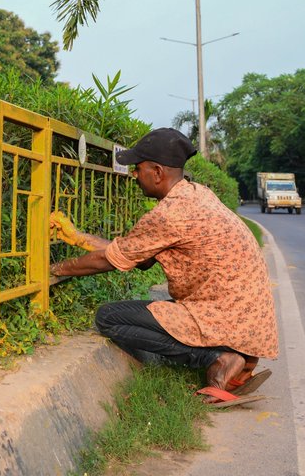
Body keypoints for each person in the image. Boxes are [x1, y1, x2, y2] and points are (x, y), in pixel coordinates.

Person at [48, 127, 278, 405]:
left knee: (108, 317)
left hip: (223, 314)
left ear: (157, 172)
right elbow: (138, 255)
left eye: (138, 168)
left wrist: (52, 271)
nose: (134, 175)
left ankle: (219, 359)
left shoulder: (171, 213)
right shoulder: (196, 195)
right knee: (158, 311)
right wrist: (78, 238)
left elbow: (110, 259)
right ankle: (237, 358)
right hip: (244, 318)